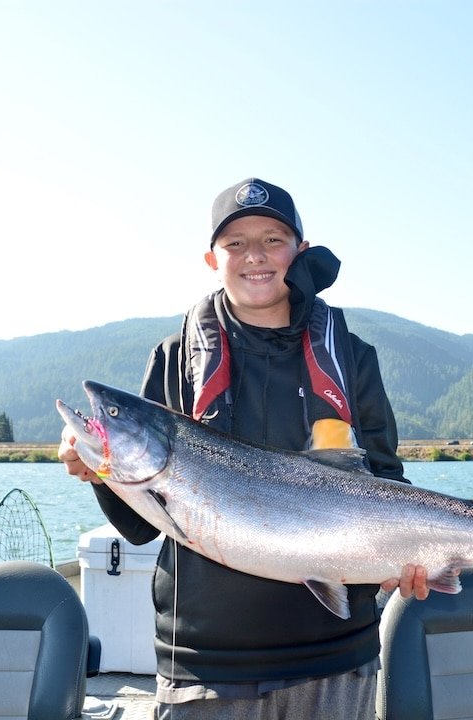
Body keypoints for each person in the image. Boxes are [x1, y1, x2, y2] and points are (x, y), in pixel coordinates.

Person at [59, 177, 429, 719]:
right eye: (235, 243)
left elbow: (387, 483)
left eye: (273, 239)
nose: (255, 255)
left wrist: (407, 557)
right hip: (205, 663)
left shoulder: (351, 357)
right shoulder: (174, 359)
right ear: (213, 259)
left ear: (300, 250)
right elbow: (140, 526)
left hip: (337, 658)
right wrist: (99, 471)